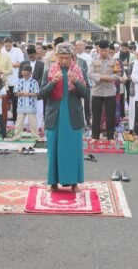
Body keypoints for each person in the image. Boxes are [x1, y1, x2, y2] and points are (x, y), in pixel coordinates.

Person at [39, 42, 89, 193]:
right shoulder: (49, 71)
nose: (64, 61)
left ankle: (74, 183)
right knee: (54, 149)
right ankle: (53, 183)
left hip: (73, 116)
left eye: (67, 58)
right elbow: (41, 94)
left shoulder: (80, 71)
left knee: (73, 150)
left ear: (73, 57)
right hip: (55, 116)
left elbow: (87, 94)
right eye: (61, 57)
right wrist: (52, 82)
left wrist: (76, 82)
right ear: (56, 57)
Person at [89, 40, 121, 142]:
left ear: (109, 50)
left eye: (105, 50)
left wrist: (110, 78)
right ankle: (95, 136)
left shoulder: (114, 61)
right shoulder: (94, 61)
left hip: (109, 91)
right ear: (98, 50)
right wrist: (103, 78)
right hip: (97, 91)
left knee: (110, 115)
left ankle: (110, 137)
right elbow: (90, 74)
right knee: (96, 115)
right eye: (101, 50)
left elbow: (117, 75)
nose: (103, 53)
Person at [13, 64, 41, 140]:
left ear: (30, 74)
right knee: (19, 122)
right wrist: (21, 93)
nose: (25, 76)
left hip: (31, 105)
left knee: (33, 123)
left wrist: (28, 94)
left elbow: (36, 93)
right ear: (22, 73)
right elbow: (15, 93)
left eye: (27, 75)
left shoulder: (34, 82)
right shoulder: (19, 81)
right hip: (21, 105)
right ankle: (17, 136)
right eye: (24, 74)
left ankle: (35, 136)